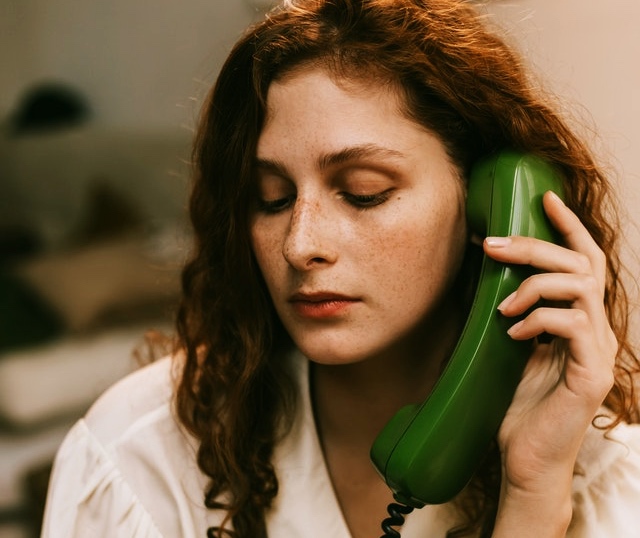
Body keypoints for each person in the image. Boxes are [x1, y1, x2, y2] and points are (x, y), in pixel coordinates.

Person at [42, 1, 640, 537]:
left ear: (488, 208)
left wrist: (533, 496)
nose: (300, 245)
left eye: (364, 192)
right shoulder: (139, 456)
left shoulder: (610, 478)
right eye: (271, 198)